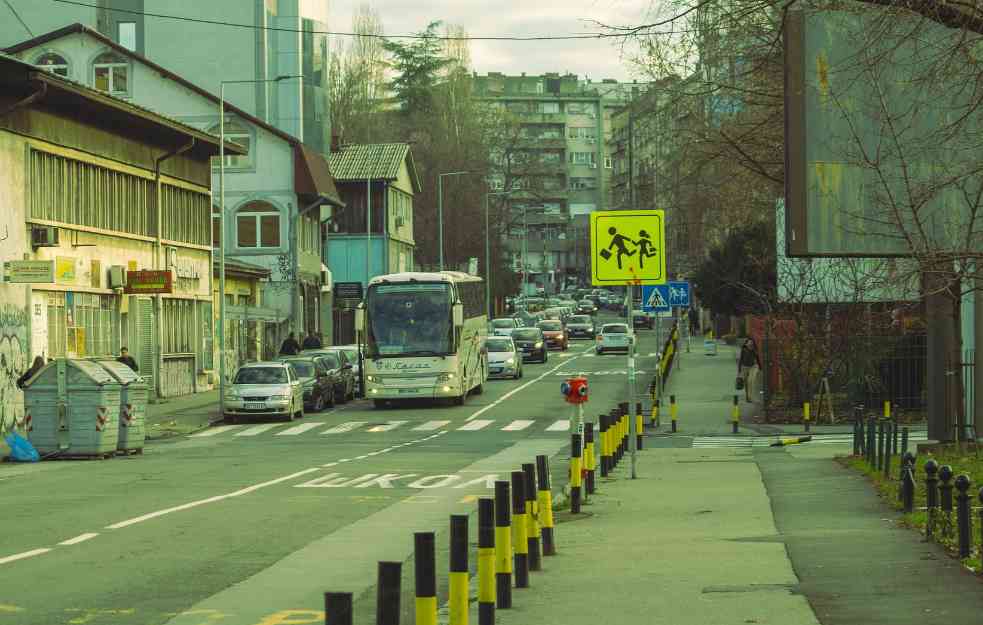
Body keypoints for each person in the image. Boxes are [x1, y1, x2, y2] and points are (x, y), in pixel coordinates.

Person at [737, 338, 761, 403]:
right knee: (746, 383)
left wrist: (760, 367)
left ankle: (751, 397)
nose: (750, 344)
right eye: (749, 343)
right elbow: (740, 360)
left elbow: (757, 358)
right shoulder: (743, 350)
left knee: (751, 381)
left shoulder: (754, 350)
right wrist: (739, 371)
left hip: (753, 367)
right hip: (744, 367)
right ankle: (748, 397)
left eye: (752, 343)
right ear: (746, 344)